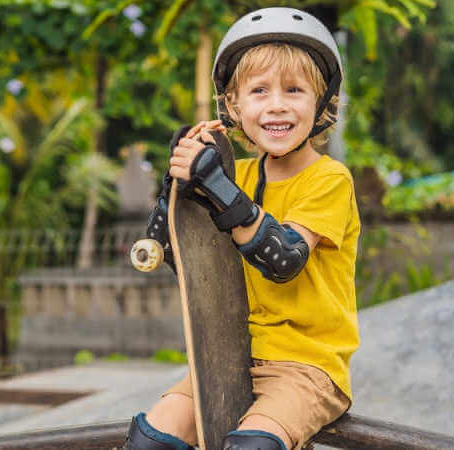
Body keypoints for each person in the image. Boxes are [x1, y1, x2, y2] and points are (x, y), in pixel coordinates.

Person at [127, 7, 360, 450]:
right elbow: (179, 258)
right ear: (233, 105)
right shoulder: (238, 174)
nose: (276, 104)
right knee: (148, 440)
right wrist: (176, 186)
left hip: (307, 366)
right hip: (226, 357)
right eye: (258, 91)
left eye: (294, 90)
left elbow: (284, 259)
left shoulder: (329, 179)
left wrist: (215, 185)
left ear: (322, 101)